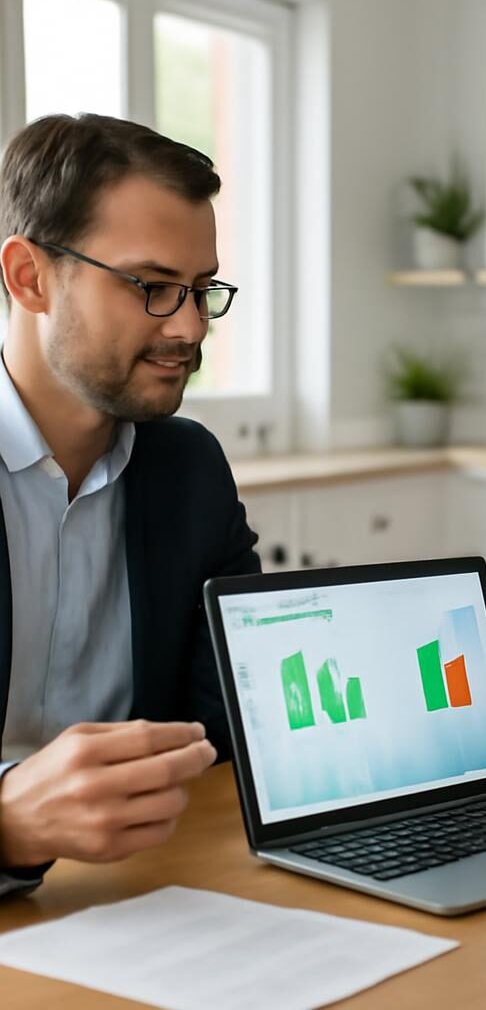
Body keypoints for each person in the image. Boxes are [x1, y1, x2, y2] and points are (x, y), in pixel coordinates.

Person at [0, 113, 259, 895]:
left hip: (142, 897)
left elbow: (233, 729)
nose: (186, 327)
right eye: (150, 286)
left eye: (201, 289)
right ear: (30, 277)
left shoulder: (187, 467)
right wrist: (8, 824)